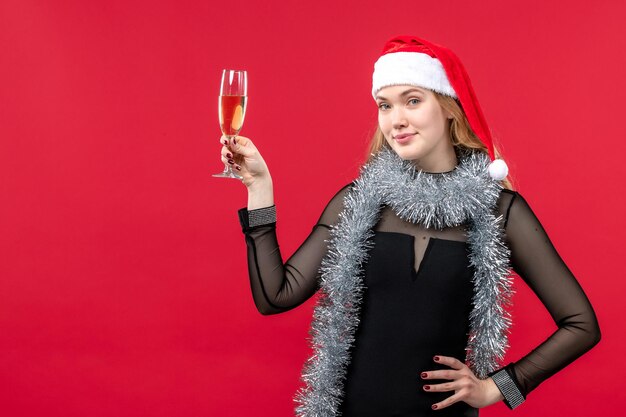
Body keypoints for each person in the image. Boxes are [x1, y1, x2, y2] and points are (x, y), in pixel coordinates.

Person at [219, 36, 601, 417]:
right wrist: (259, 188)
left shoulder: (500, 211)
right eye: (385, 105)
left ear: (449, 107)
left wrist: (497, 388)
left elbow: (581, 325)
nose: (396, 119)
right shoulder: (359, 201)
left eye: (413, 100)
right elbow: (275, 297)